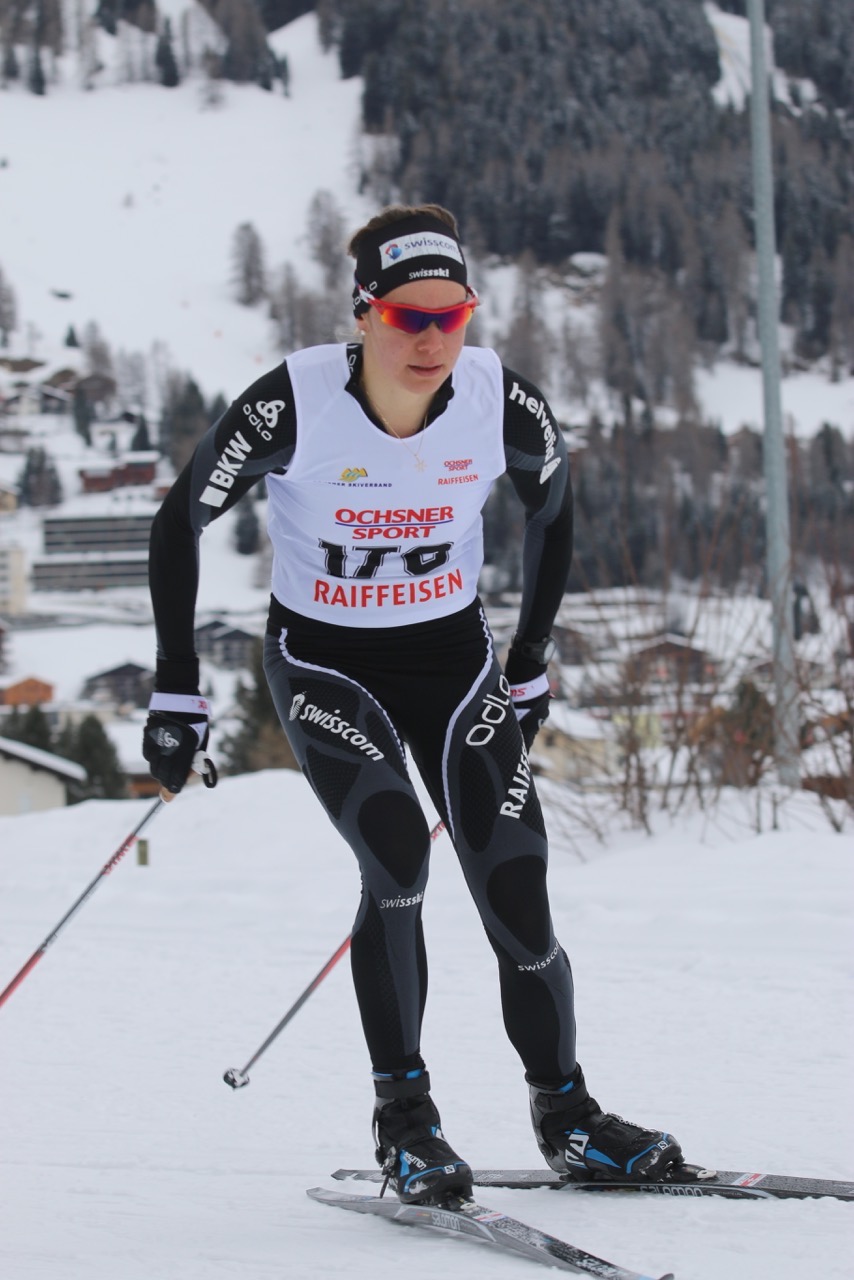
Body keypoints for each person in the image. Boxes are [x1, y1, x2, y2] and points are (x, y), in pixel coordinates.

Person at [143, 203, 683, 1205]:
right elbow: (177, 521)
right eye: (405, 318)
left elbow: (552, 512)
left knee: (516, 880)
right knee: (396, 853)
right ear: (363, 315)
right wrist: (178, 684)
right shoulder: (290, 406)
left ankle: (567, 1115)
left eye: (451, 315)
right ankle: (407, 1123)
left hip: (449, 659)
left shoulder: (498, 402)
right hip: (324, 663)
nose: (431, 338)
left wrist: (527, 659)